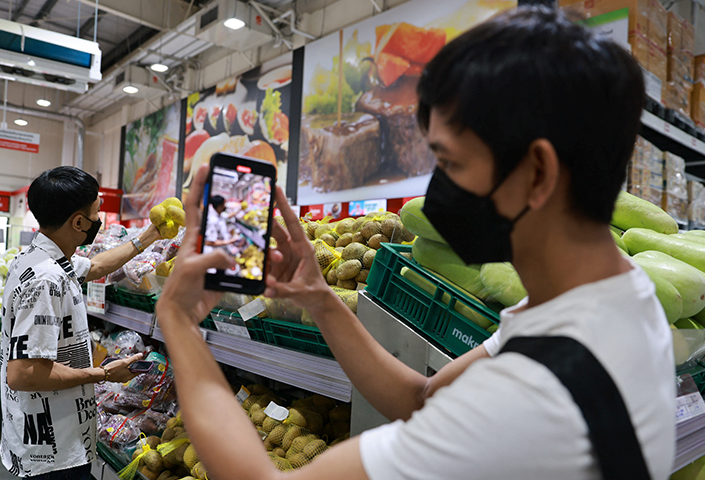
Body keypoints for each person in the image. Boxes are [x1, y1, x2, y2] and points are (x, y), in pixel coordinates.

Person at [155, 6, 675, 480]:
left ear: (537, 172)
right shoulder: (610, 301)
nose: (437, 189)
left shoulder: (529, 397)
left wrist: (178, 322)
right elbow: (423, 396)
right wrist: (319, 297)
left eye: (450, 163)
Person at [0, 166, 162, 479]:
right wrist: (104, 374)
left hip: (47, 436)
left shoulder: (39, 258)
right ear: (78, 222)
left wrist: (148, 237)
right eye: (96, 212)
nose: (99, 220)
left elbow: (97, 265)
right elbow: (24, 374)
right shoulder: (47, 280)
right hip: (53, 451)